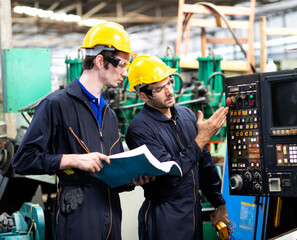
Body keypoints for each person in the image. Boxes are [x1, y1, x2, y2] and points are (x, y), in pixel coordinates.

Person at [12, 22, 146, 240]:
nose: (125, 72)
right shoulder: (56, 105)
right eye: (121, 64)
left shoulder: (110, 115)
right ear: (100, 60)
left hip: (112, 215)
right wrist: (73, 160)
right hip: (78, 215)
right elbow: (23, 160)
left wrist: (132, 179)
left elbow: (112, 171)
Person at [125, 54, 230, 240]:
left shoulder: (186, 115)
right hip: (164, 218)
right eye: (159, 88)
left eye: (170, 82)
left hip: (193, 212)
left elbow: (204, 163)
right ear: (143, 95)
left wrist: (219, 204)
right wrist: (201, 138)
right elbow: (170, 175)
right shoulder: (139, 130)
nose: (169, 91)